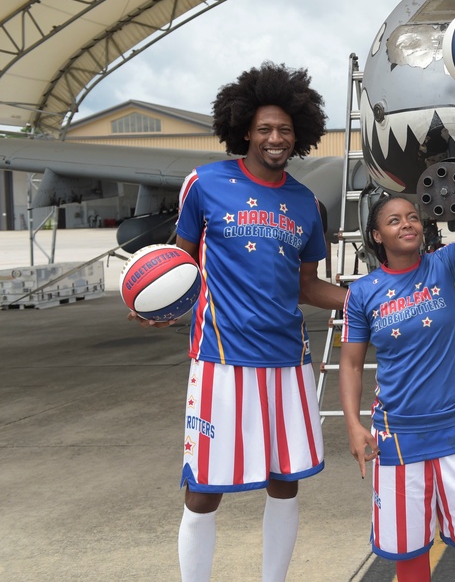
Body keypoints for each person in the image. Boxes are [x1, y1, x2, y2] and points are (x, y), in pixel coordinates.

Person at [129, 62, 348, 581]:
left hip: (288, 362)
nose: (275, 138)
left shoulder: (305, 203)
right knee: (204, 489)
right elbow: (179, 265)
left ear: (300, 135)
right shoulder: (204, 184)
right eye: (265, 128)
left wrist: (367, 299)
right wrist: (160, 305)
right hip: (221, 361)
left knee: (285, 481)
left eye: (285, 130)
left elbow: (307, 286)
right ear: (245, 128)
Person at [338, 135, 455, 582]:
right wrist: (355, 425)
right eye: (395, 220)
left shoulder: (444, 265)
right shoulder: (362, 294)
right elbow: (352, 364)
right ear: (377, 236)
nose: (408, 224)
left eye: (413, 216)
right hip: (398, 437)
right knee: (408, 550)